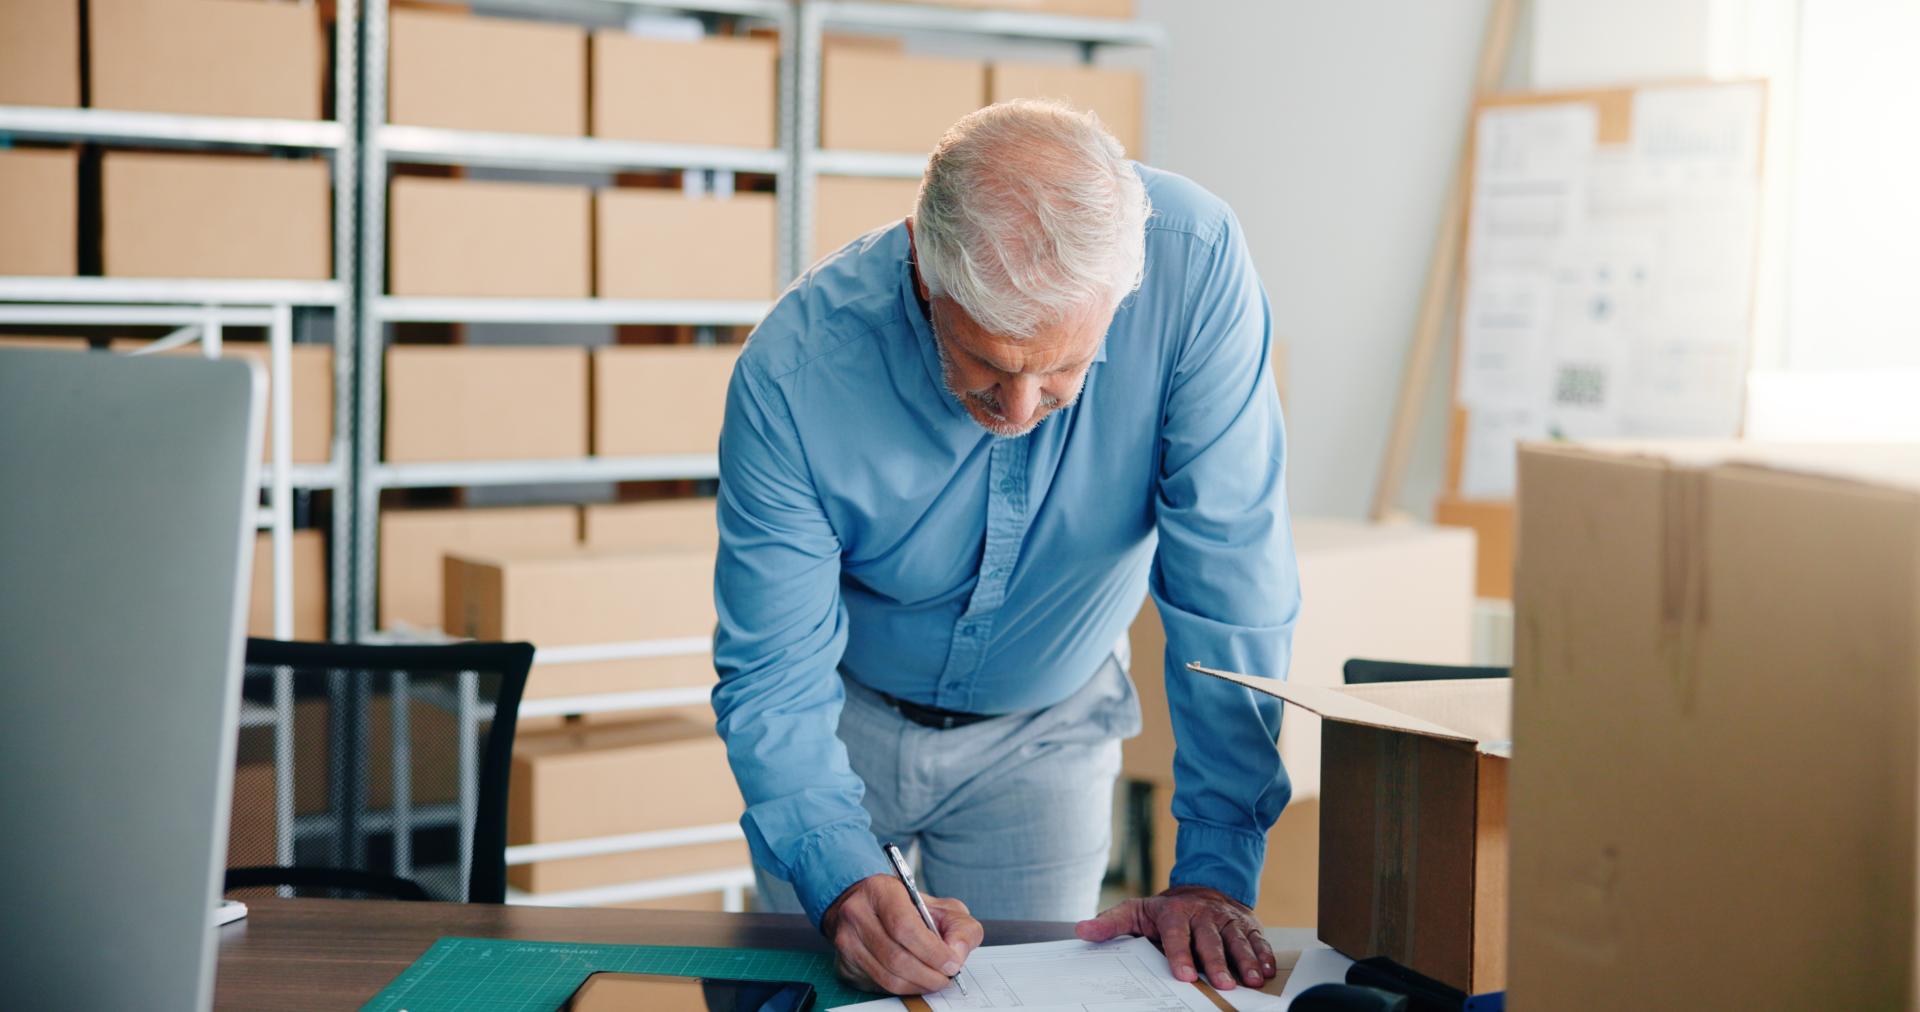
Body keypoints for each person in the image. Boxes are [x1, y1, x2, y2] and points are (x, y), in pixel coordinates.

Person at [712, 99, 1297, 997]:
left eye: (1062, 368)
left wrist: (1215, 868)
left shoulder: (1197, 271)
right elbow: (774, 675)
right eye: (985, 362)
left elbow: (1229, 588)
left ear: (1122, 295)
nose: (1019, 411)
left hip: (1048, 731)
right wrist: (836, 872)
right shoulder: (793, 374)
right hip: (843, 725)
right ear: (922, 269)